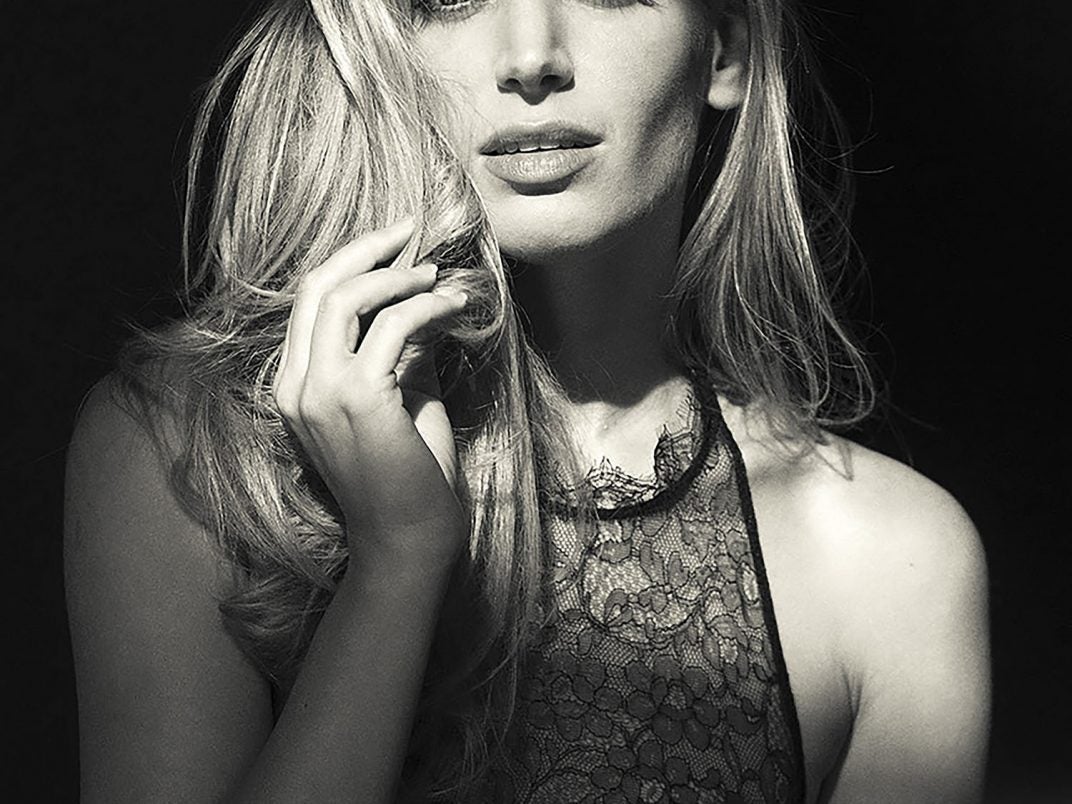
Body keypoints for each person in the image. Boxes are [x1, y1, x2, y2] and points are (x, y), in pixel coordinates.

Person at [63, 0, 990, 801]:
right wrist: (397, 563)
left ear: (725, 51)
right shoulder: (188, 458)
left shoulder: (890, 563)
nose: (532, 55)